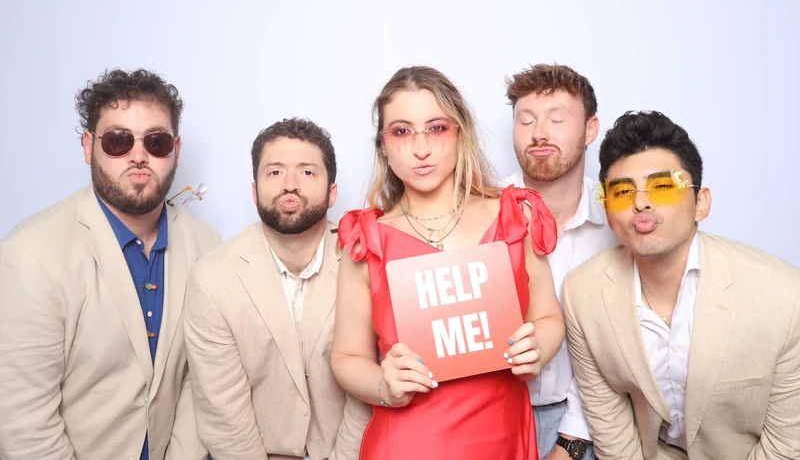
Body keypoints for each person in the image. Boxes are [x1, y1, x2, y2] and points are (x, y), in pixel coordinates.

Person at [331, 66, 565, 460]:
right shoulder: (367, 240)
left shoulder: (514, 217)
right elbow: (346, 357)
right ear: (383, 144)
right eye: (402, 131)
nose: (421, 148)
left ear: (460, 133)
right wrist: (384, 386)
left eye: (437, 128)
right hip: (407, 444)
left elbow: (548, 318)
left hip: (503, 436)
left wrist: (538, 347)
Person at [0, 69, 221, 460]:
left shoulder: (207, 244)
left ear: (175, 149)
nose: (138, 156)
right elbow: (24, 424)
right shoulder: (30, 256)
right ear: (89, 147)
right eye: (119, 140)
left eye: (156, 141)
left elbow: (201, 381)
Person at [563, 111, 800, 459]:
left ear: (700, 203)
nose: (640, 202)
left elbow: (787, 441)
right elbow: (608, 420)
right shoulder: (582, 292)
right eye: (623, 191)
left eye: (662, 187)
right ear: (609, 214)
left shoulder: (784, 295)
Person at [184, 118, 371, 460]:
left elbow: (368, 395)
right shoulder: (211, 279)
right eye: (274, 172)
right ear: (254, 191)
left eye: (307, 172)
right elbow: (224, 417)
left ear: (332, 192)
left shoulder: (365, 262)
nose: (290, 185)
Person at [504, 63, 617, 460]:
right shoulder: (478, 210)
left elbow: (623, 347)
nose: (539, 133)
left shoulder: (620, 220)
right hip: (495, 414)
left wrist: (571, 441)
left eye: (556, 119)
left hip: (594, 420)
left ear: (590, 129)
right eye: (526, 120)